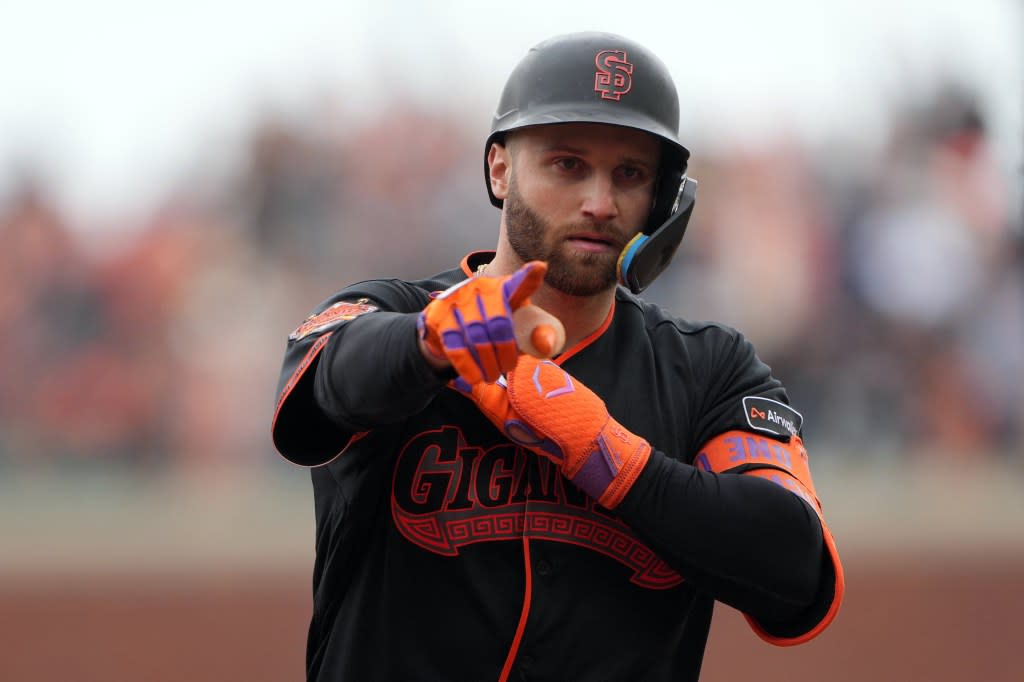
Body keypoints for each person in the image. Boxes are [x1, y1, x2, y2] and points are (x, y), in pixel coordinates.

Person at [272, 31, 844, 682]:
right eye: (567, 164)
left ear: (663, 201)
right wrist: (427, 343)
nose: (600, 202)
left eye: (629, 173)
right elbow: (323, 388)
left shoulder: (711, 369)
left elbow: (795, 568)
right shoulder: (392, 311)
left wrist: (606, 454)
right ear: (499, 168)